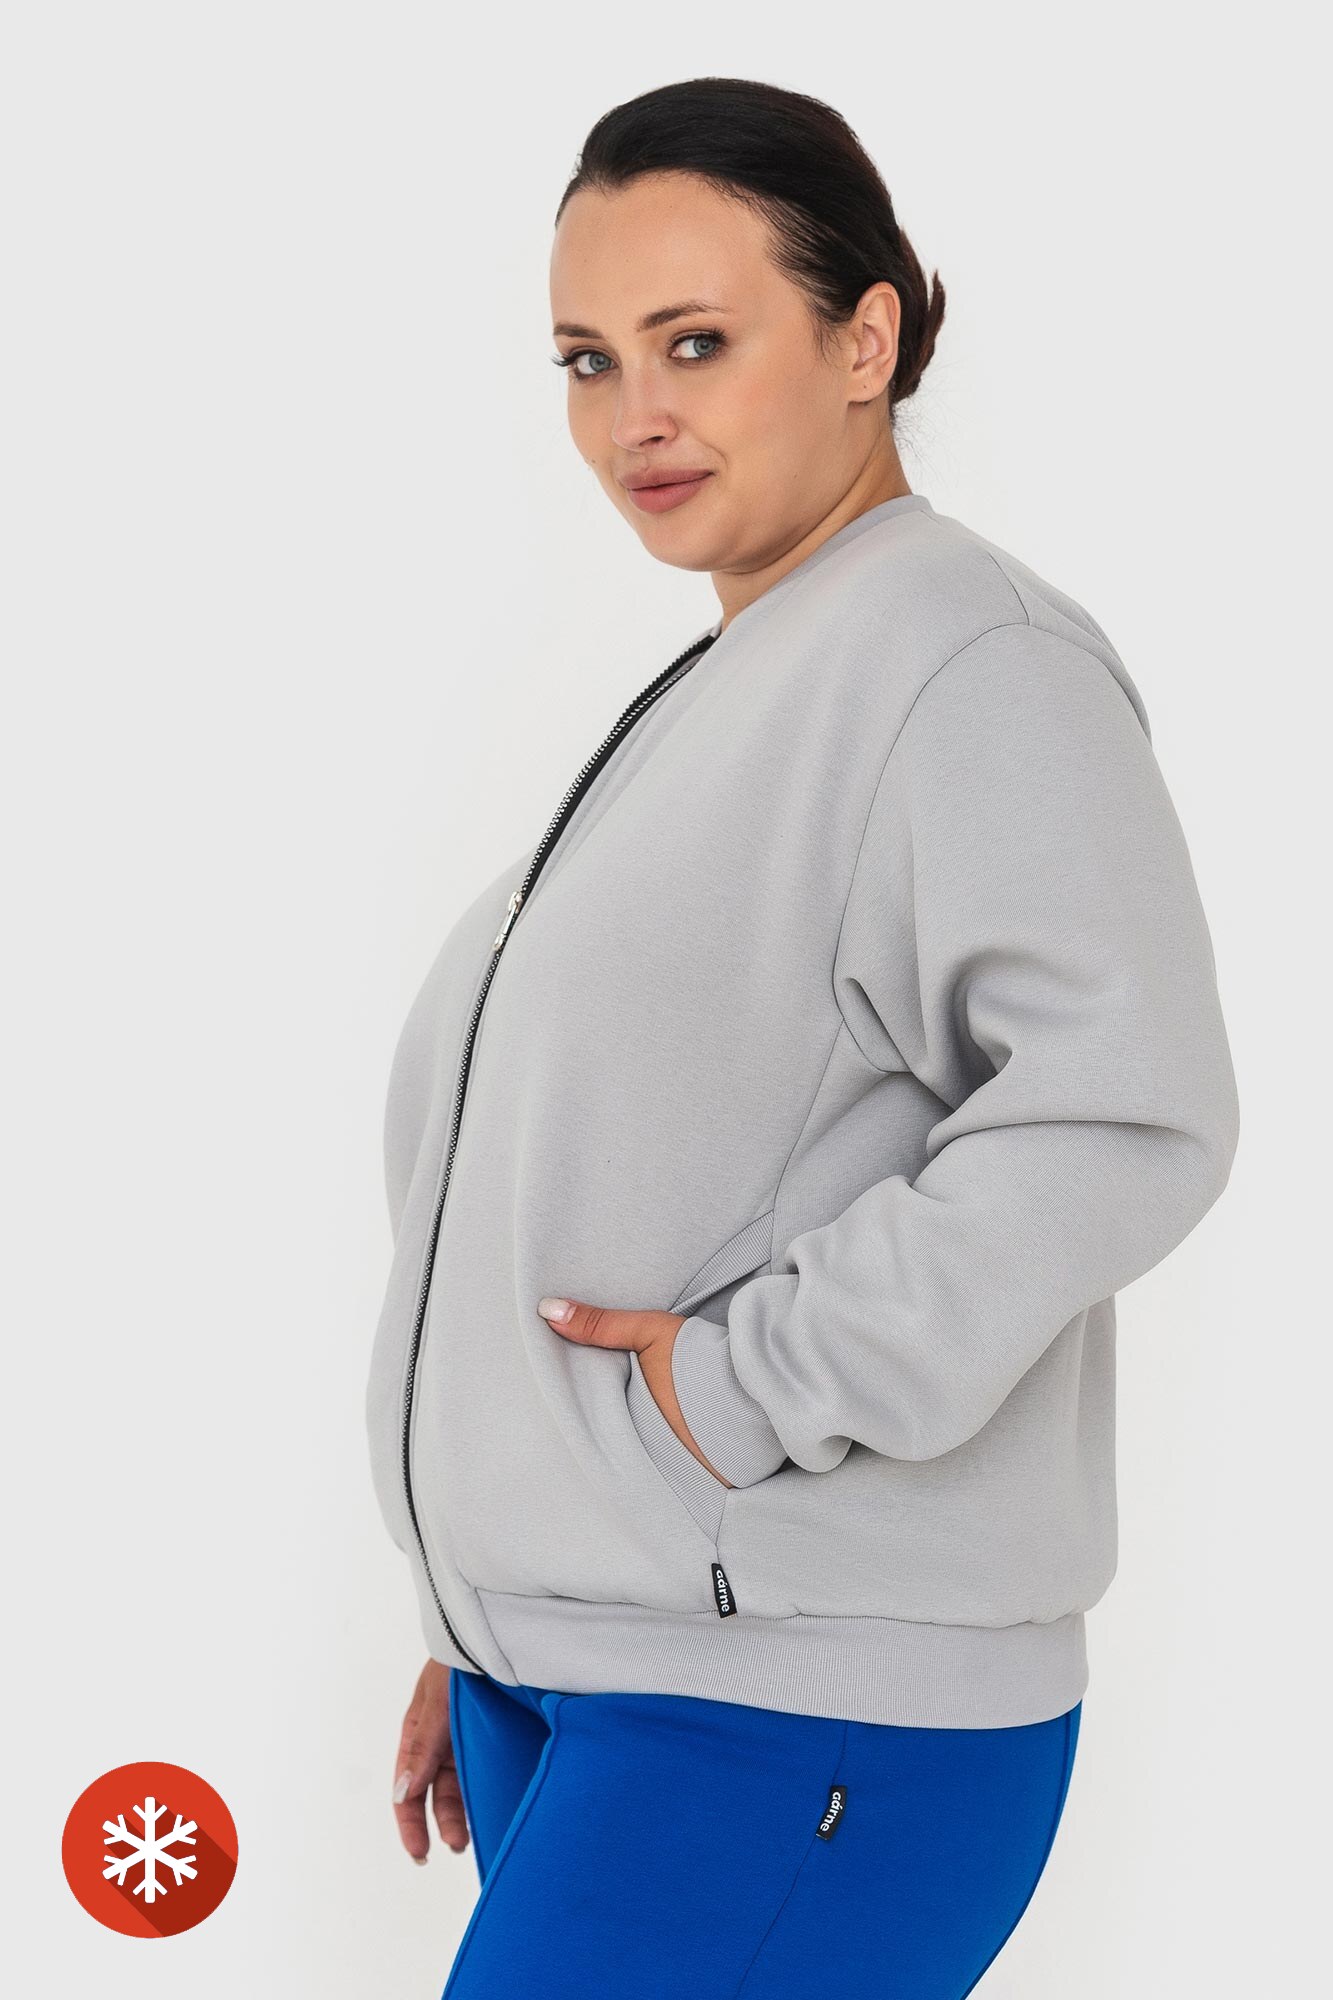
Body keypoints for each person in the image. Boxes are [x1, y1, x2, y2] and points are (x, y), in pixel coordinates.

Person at [363, 76, 1240, 1999]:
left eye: (695, 342)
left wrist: (739, 1390)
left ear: (866, 338)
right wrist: (489, 1589)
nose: (633, 417)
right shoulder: (740, 680)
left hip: (787, 1704)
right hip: (595, 1675)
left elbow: (1122, 1113)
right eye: (587, 360)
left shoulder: (963, 659)